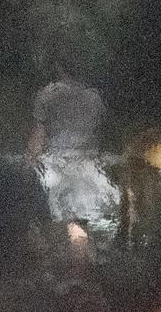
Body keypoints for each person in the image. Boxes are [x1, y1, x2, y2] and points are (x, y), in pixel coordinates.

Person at [29, 60, 121, 262]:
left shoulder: (49, 94)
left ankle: (73, 259)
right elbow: (99, 136)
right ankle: (81, 257)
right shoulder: (95, 98)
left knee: (58, 215)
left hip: (57, 166)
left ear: (60, 68)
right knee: (83, 219)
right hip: (89, 168)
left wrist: (30, 162)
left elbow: (38, 137)